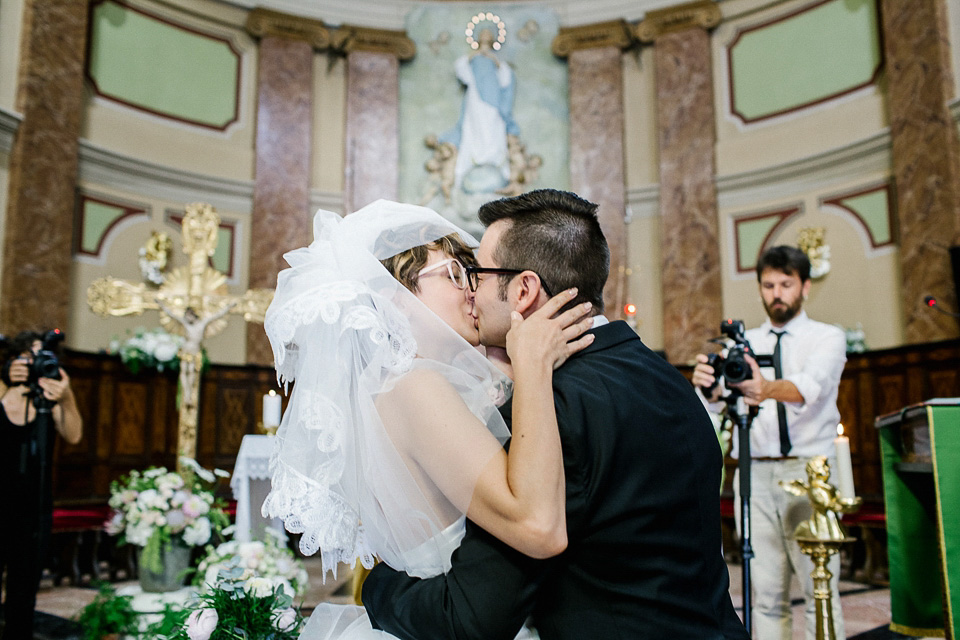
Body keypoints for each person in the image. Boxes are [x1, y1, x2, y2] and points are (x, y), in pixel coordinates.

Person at [362, 189, 749, 640]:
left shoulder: (547, 406)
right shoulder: (663, 378)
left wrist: (379, 589)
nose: (471, 291)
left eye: (478, 275)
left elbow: (474, 616)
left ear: (523, 289)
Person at [260, 200, 594, 639]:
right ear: (393, 294)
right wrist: (532, 367)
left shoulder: (404, 386)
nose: (472, 290)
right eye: (454, 275)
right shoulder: (414, 386)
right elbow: (533, 525)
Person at [692, 245, 848, 640]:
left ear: (805, 287)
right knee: (766, 593)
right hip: (755, 474)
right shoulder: (741, 345)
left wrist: (764, 387)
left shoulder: (827, 337)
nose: (776, 293)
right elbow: (715, 410)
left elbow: (809, 387)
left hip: (809, 472)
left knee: (820, 588)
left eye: (786, 284)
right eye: (768, 285)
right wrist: (707, 389)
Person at [0, 331, 82, 640]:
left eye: (42, 358)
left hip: (34, 509)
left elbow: (74, 436)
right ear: (15, 360)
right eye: (29, 357)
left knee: (23, 595)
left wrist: (67, 397)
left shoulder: (50, 399)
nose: (36, 365)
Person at [440, 27, 519, 191]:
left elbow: (506, 79)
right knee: (473, 127)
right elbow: (461, 69)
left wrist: (493, 60)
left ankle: (494, 162)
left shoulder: (495, 60)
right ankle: (471, 163)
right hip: (476, 98)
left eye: (488, 35)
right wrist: (474, 55)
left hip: (494, 99)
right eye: (482, 34)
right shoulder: (472, 58)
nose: (485, 36)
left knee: (494, 127)